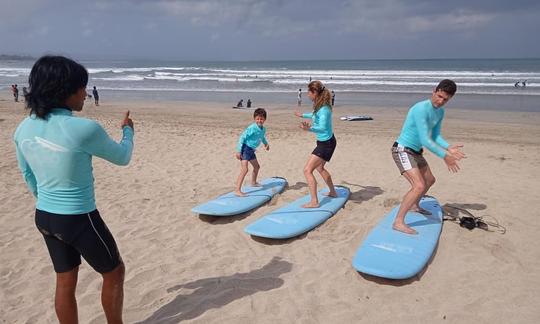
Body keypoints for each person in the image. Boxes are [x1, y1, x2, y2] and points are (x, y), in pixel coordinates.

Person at [13, 55, 134, 323]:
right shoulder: (83, 129)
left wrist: (50, 202)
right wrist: (128, 132)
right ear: (64, 90)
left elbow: (27, 174)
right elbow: (123, 157)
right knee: (114, 272)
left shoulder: (23, 128)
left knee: (65, 280)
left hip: (44, 216)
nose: (85, 94)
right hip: (79, 218)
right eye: (81, 87)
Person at [391, 79, 465, 235]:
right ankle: (398, 222)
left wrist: (448, 147)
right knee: (418, 186)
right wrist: (445, 156)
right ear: (434, 90)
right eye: (439, 96)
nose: (440, 101)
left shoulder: (440, 111)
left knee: (430, 180)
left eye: (445, 99)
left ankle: (414, 205)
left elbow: (435, 135)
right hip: (402, 150)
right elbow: (425, 139)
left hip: (416, 151)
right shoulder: (421, 109)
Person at [294, 81, 337, 208]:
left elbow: (323, 127)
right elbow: (314, 115)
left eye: (309, 92)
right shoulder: (320, 106)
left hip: (326, 144)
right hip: (327, 142)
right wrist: (302, 115)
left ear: (315, 93)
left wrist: (309, 129)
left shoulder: (324, 109)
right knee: (319, 168)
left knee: (307, 170)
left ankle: (314, 202)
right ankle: (333, 192)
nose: (307, 95)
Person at [234, 108, 269, 196]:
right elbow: (242, 137)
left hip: (251, 151)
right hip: (245, 149)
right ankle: (237, 190)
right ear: (254, 119)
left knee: (257, 167)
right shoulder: (252, 128)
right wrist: (238, 151)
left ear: (265, 119)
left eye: (261, 119)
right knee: (245, 169)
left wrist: (266, 144)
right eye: (257, 119)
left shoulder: (263, 129)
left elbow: (262, 137)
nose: (259, 120)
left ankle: (253, 182)